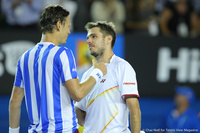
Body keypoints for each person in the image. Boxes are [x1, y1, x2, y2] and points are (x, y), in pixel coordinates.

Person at [9, 5, 107, 133]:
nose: (69, 31)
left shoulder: (24, 58)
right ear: (59, 25)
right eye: (68, 26)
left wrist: (13, 131)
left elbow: (15, 101)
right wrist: (98, 72)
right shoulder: (62, 54)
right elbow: (78, 94)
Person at [75, 21, 141, 133]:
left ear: (108, 39)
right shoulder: (87, 74)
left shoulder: (122, 67)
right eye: (88, 37)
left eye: (94, 36)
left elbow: (134, 109)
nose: (88, 41)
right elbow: (79, 109)